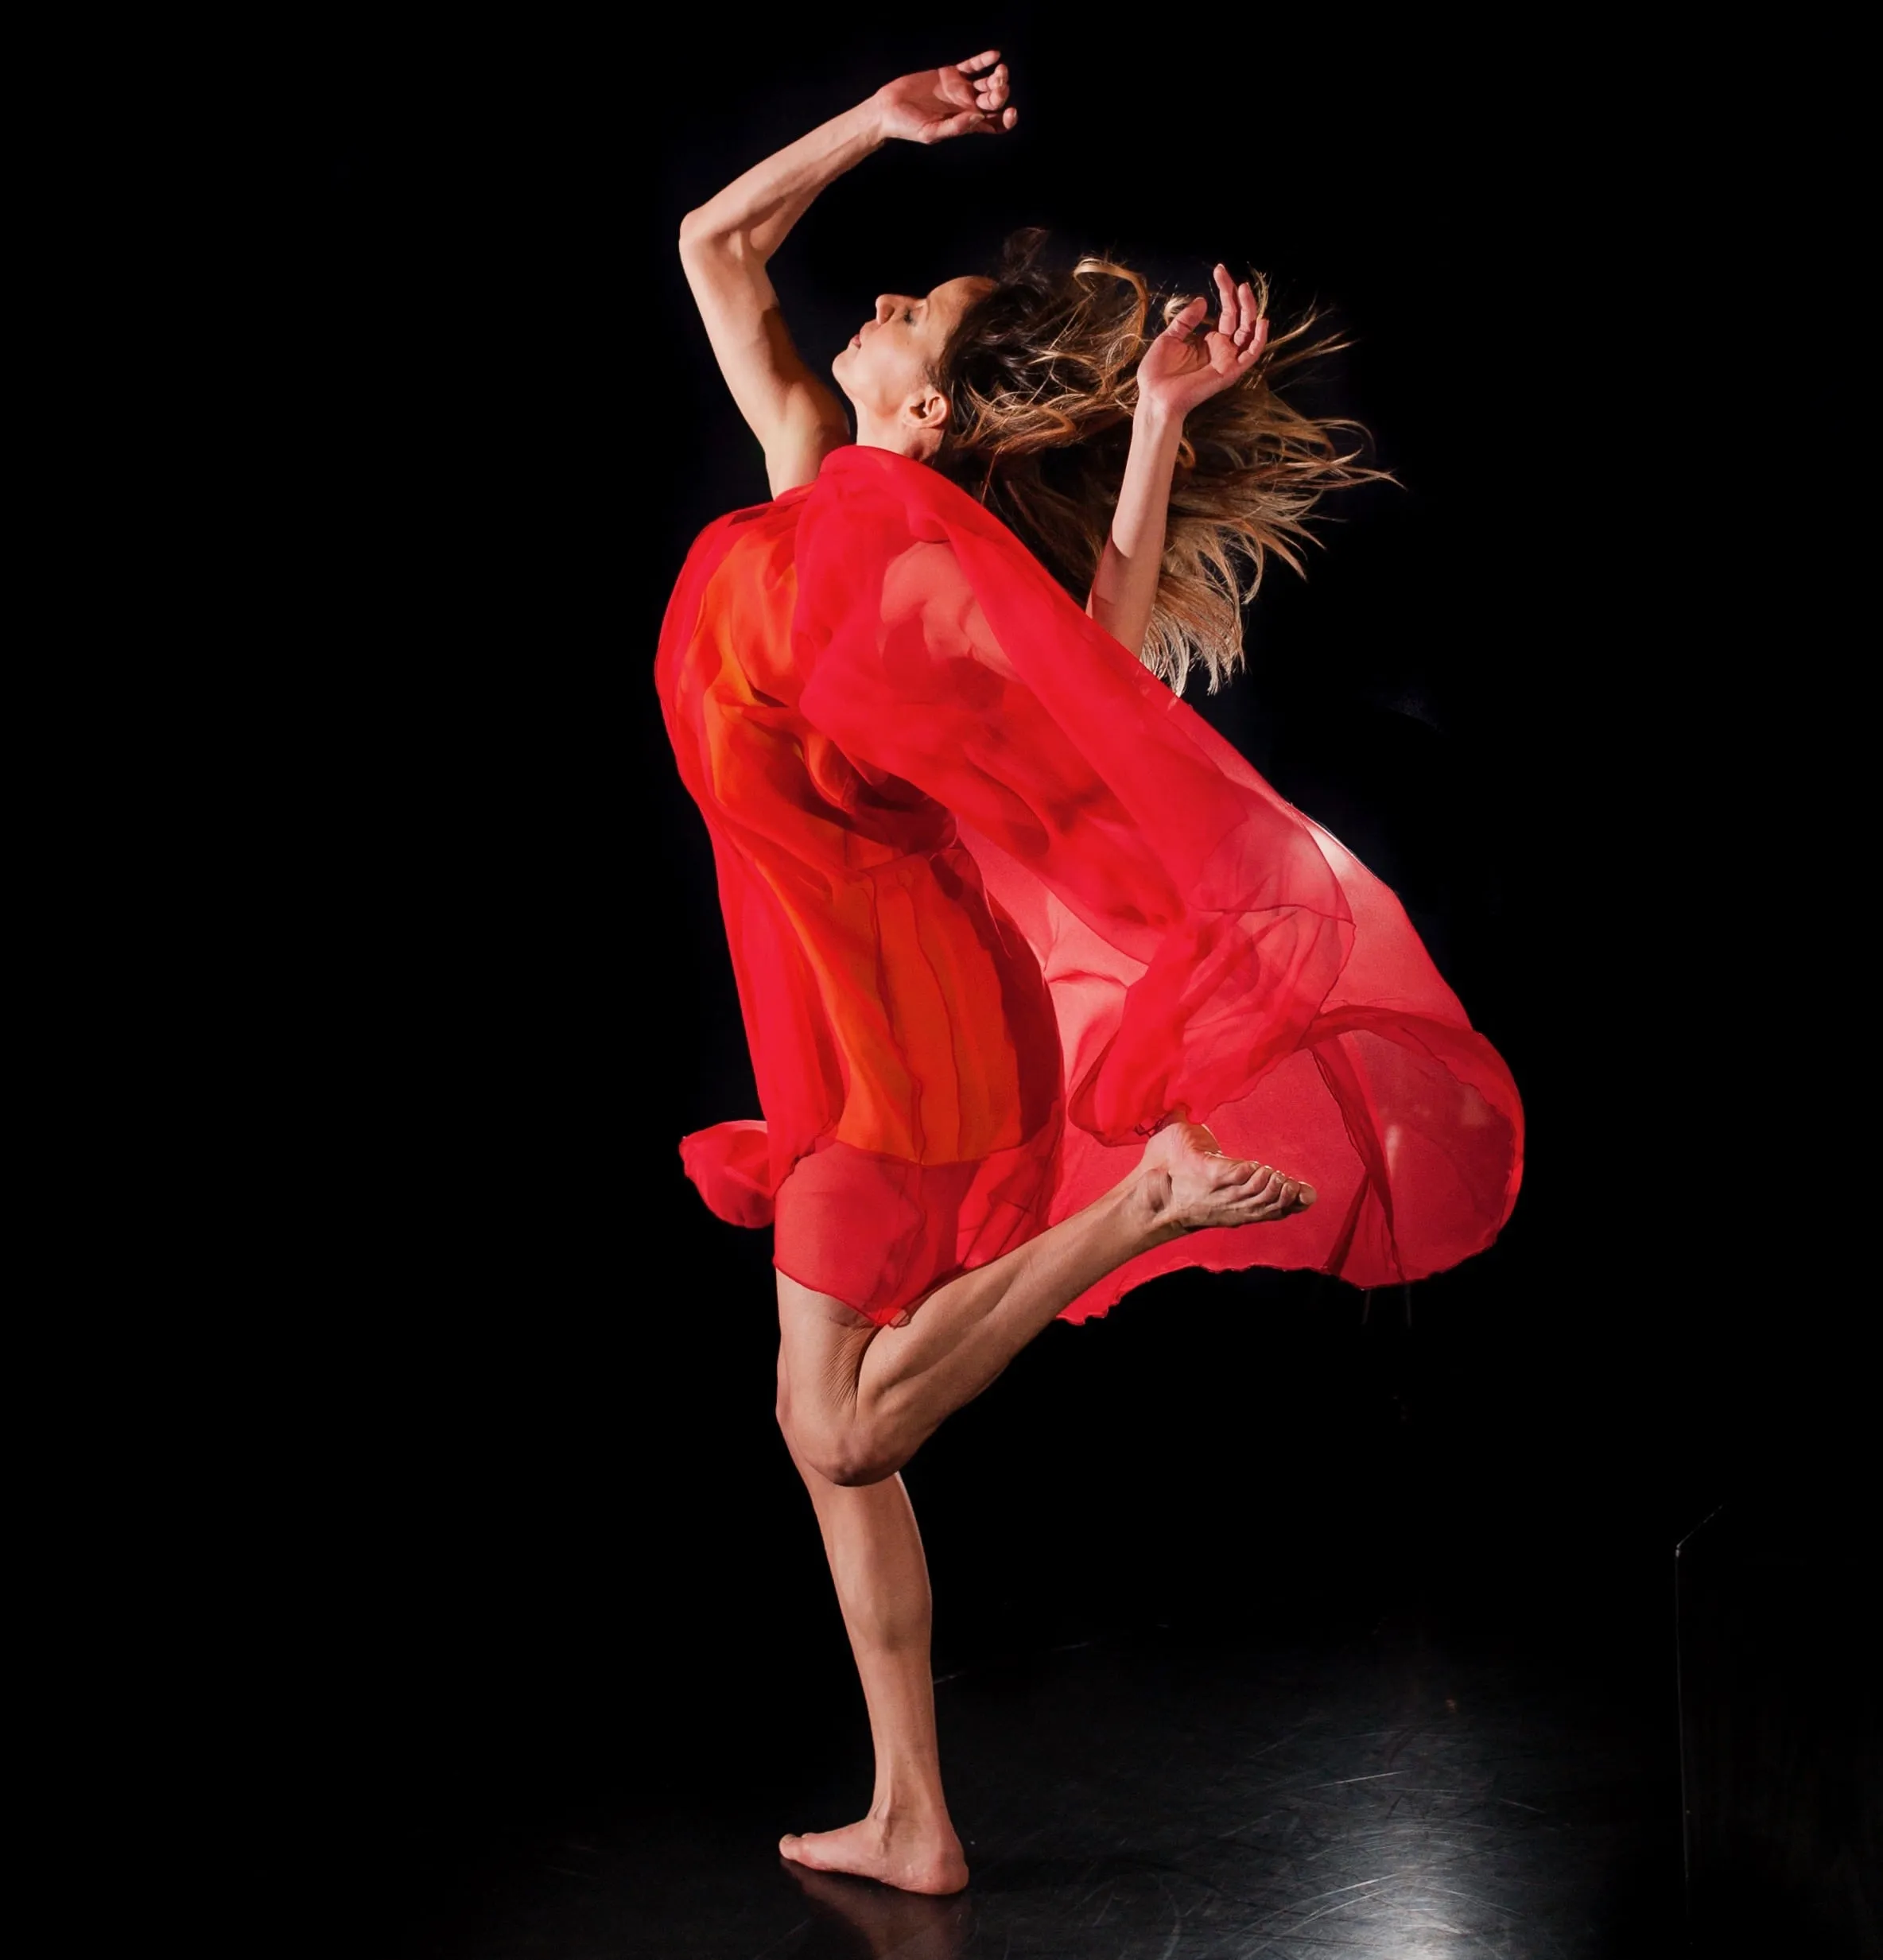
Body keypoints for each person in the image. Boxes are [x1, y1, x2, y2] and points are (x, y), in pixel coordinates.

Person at [663, 51, 1523, 1895]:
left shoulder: (899, 553)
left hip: (903, 1034)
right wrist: (877, 123)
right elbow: (713, 243)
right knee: (837, 1448)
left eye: (909, 312)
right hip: (849, 1014)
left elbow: (1094, 687)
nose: (873, 303)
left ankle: (1141, 1201)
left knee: (834, 1419)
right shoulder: (818, 488)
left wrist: (1145, 438)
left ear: (926, 410)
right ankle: (912, 1810)